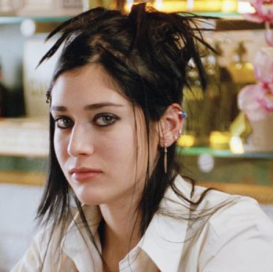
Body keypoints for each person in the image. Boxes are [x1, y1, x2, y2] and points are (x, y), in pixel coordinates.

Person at [12, 3, 273, 272]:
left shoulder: (230, 236)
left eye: (105, 119)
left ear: (168, 126)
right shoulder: (55, 246)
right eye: (64, 122)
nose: (75, 146)